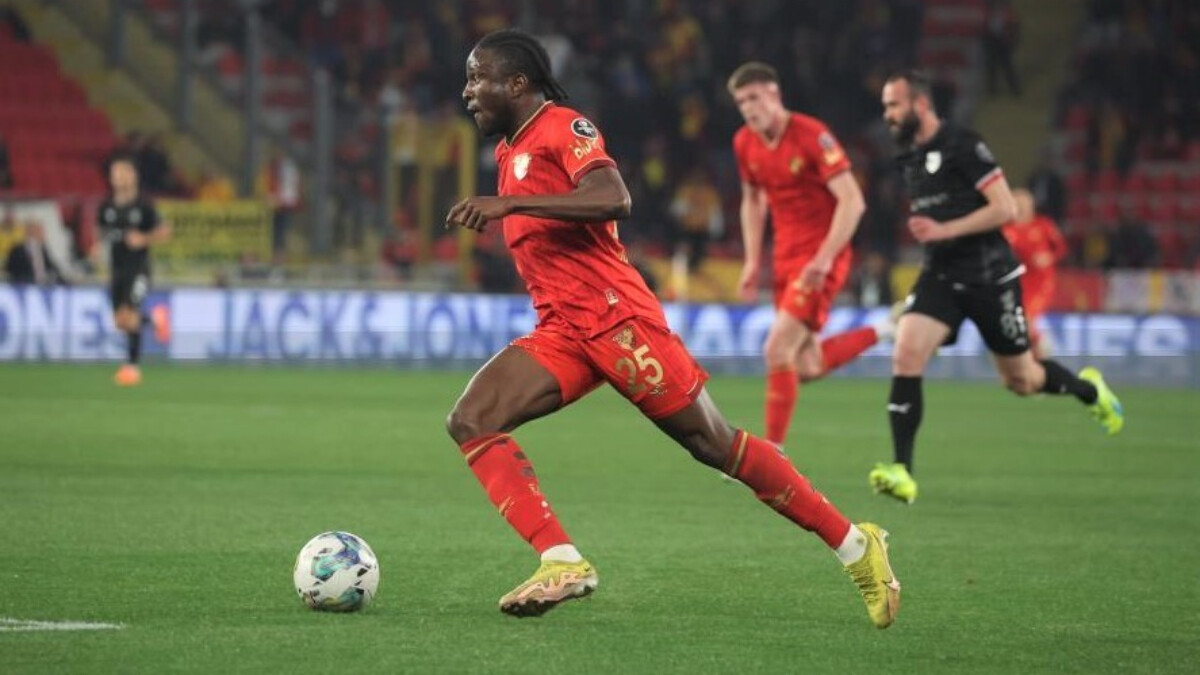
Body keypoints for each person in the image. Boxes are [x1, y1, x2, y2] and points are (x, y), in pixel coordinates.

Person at [444, 29, 900, 627]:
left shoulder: (562, 127)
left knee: (714, 444)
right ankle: (562, 561)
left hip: (618, 320)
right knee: (472, 418)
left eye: (477, 78)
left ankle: (856, 544)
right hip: (563, 329)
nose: (468, 91)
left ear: (516, 83)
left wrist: (511, 205)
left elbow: (613, 197)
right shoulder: (511, 151)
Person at [871, 71, 1123, 504]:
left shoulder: (964, 145)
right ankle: (902, 471)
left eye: (894, 105)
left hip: (990, 276)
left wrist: (944, 229)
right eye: (885, 107)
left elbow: (1005, 208)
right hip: (941, 274)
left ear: (921, 104)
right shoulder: (910, 157)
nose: (887, 115)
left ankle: (1089, 390)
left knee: (1022, 380)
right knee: (907, 351)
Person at [728, 62, 887, 447]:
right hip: (784, 257)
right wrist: (752, 260)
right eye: (741, 102)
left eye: (753, 98)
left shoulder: (812, 135)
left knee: (776, 348)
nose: (748, 108)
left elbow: (853, 201)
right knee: (807, 365)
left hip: (819, 256)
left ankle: (772, 456)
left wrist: (825, 258)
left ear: (774, 94)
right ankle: (886, 330)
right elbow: (752, 201)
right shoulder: (745, 142)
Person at [94, 155, 172, 386]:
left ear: (133, 176)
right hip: (117, 269)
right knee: (120, 321)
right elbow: (101, 232)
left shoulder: (143, 206)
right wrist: (96, 247)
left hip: (138, 268)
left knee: (130, 315)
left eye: (123, 173)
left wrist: (144, 238)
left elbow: (165, 231)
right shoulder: (106, 207)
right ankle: (155, 319)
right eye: (115, 174)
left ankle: (132, 367)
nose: (118, 178)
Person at [1002, 189, 1066, 359]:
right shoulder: (1006, 230)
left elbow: (1060, 248)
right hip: (1018, 281)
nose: (1022, 208)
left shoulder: (1044, 225)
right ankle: (1035, 352)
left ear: (1032, 206)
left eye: (1025, 204)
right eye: (1018, 204)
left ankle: (1042, 350)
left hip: (1041, 282)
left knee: (1026, 317)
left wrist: (1049, 257)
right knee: (1018, 321)